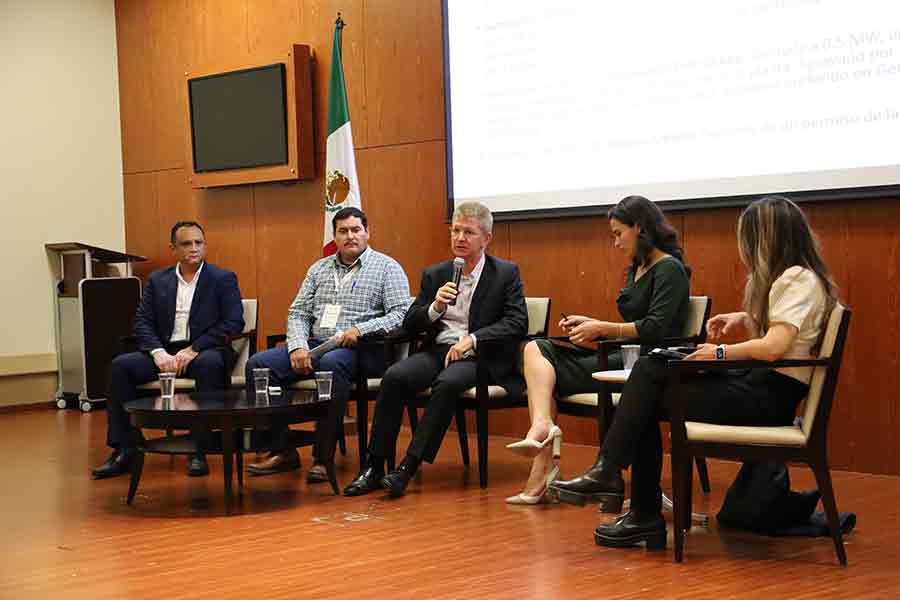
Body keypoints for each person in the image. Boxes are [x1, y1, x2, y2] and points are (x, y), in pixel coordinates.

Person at [558, 195, 838, 550]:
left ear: (768, 237)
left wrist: (720, 351)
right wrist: (743, 318)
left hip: (768, 396)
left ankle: (623, 490)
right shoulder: (796, 277)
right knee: (651, 375)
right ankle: (624, 492)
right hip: (761, 386)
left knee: (648, 380)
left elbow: (774, 347)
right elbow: (789, 332)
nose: (745, 248)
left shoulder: (797, 278)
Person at [505, 195, 691, 505]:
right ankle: (542, 426)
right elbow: (629, 324)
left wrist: (602, 328)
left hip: (648, 364)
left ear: (640, 228)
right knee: (536, 349)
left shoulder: (669, 269)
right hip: (623, 355)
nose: (616, 242)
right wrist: (593, 325)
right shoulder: (637, 268)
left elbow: (655, 328)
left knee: (545, 370)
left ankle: (544, 461)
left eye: (619, 233)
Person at [343, 201, 528, 498]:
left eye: (468, 232)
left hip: (480, 357)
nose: (459, 238)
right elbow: (411, 322)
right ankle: (374, 467)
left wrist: (474, 339)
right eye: (455, 230)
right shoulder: (437, 273)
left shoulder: (505, 273)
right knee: (394, 377)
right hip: (438, 350)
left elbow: (517, 322)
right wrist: (434, 307)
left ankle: (407, 467)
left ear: (486, 238)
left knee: (447, 383)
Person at [244, 207, 409, 482]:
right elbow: (298, 312)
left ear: (368, 233)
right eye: (343, 231)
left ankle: (323, 457)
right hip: (317, 344)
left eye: (356, 230)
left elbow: (400, 314)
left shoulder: (387, 267)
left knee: (332, 366)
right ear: (334, 236)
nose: (350, 236)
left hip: (362, 348)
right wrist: (297, 346)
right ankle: (282, 449)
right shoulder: (318, 269)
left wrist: (361, 328)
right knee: (258, 365)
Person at [92, 221, 245, 479]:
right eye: (187, 244)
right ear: (173, 248)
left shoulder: (222, 278)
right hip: (164, 351)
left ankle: (198, 448)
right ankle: (125, 448)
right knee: (121, 367)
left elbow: (233, 321)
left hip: (203, 349)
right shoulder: (158, 280)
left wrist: (194, 348)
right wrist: (157, 352)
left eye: (199, 243)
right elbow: (142, 321)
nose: (194, 249)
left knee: (210, 365)